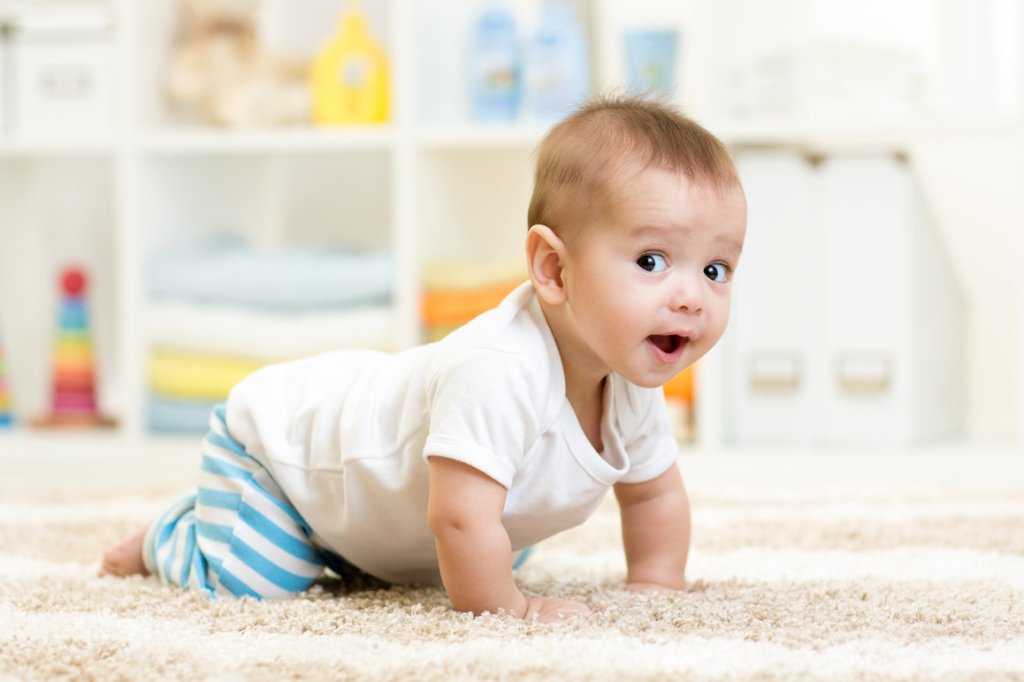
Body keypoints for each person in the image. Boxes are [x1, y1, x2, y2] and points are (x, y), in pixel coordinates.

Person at [100, 94, 747, 623]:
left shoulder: (628, 379)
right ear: (553, 269)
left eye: (715, 269)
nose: (692, 297)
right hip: (284, 460)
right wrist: (509, 611)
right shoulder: (497, 369)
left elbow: (654, 496)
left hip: (383, 520)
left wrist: (658, 586)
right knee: (260, 581)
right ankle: (172, 536)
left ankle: (355, 552)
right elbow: (458, 518)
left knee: (493, 544)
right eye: (652, 262)